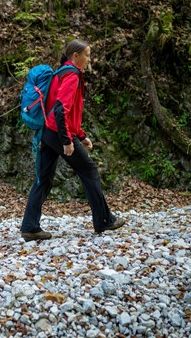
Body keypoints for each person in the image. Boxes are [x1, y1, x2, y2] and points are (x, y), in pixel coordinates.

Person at [20, 39, 125, 242]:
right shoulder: (72, 75)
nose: (88, 59)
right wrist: (67, 140)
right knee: (89, 170)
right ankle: (104, 220)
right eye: (87, 55)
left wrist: (81, 135)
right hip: (58, 133)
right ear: (75, 56)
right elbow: (61, 110)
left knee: (44, 178)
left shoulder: (61, 73)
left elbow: (62, 110)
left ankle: (30, 227)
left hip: (48, 132)